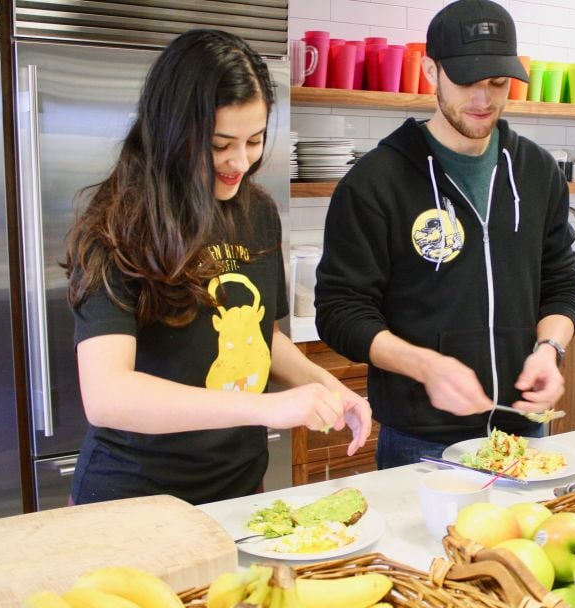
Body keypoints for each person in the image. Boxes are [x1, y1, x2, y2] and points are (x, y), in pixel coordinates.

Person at [64, 29, 371, 505]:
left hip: (238, 490)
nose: (239, 162)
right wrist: (266, 406)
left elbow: (264, 335)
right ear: (172, 131)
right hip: (135, 497)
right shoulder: (115, 224)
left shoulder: (258, 211)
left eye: (254, 140)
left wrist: (330, 388)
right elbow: (108, 395)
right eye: (219, 143)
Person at [315, 0, 575, 469]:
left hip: (525, 434)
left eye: (497, 83)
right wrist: (425, 366)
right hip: (421, 443)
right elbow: (340, 312)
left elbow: (559, 283)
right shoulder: (376, 180)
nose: (483, 99)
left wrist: (549, 348)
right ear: (430, 71)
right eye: (466, 81)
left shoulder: (538, 171)